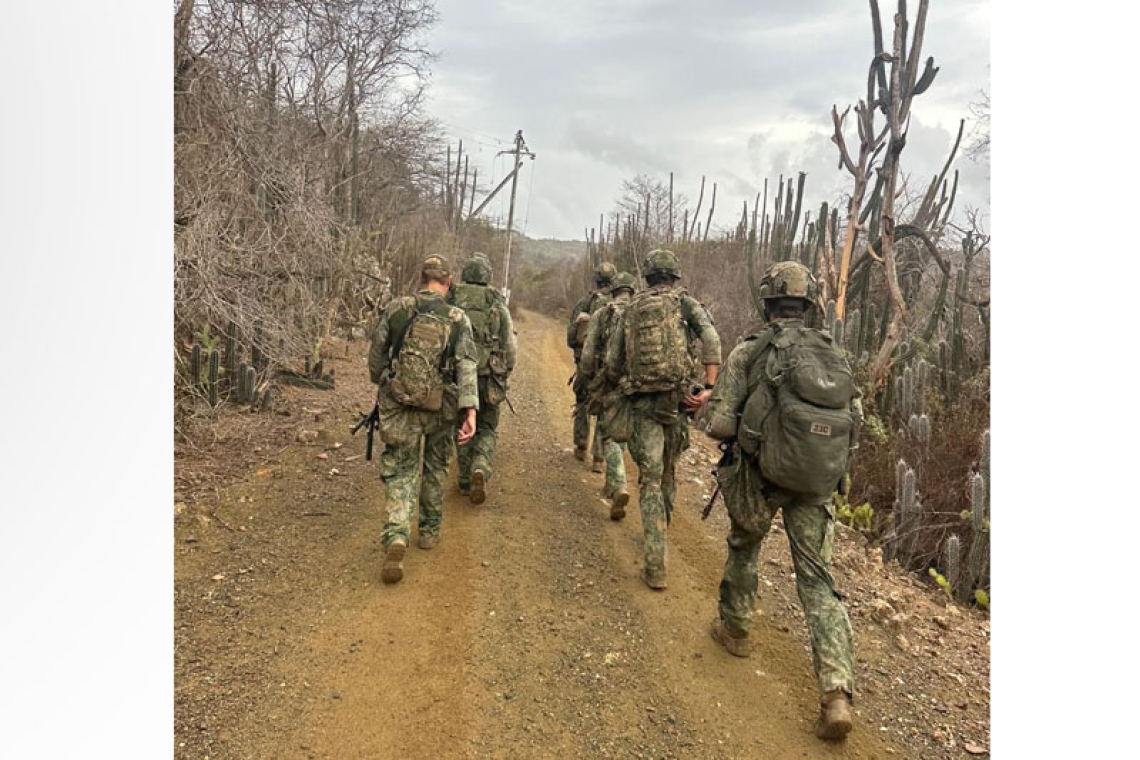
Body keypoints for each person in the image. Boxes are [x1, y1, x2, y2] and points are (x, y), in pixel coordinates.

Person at [702, 260, 862, 740]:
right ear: (809, 304)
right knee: (818, 582)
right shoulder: (834, 355)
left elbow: (721, 424)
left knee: (745, 543)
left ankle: (736, 630)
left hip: (761, 477)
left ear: (768, 302)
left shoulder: (750, 351)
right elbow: (852, 422)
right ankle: (836, 691)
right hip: (817, 483)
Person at [604, 249, 721, 589]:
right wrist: (708, 387)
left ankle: (656, 561)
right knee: (669, 471)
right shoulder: (685, 303)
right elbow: (711, 338)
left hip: (642, 401)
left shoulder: (633, 308)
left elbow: (613, 361)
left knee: (650, 477)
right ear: (674, 276)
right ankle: (662, 529)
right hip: (679, 400)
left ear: (649, 277)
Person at [367, 255, 478, 584]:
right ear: (447, 281)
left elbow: (377, 354)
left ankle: (397, 534)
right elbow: (467, 364)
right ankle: (428, 531)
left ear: (422, 277)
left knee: (401, 468)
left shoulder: (397, 308)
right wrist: (469, 409)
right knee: (435, 466)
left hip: (399, 402)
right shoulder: (457, 318)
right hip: (440, 407)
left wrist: (383, 382)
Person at [449, 253, 517, 505]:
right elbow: (510, 345)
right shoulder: (496, 301)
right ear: (487, 275)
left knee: (461, 425)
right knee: (487, 427)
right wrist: (505, 371)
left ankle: (465, 478)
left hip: (457, 375)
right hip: (488, 376)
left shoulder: (452, 298)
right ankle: (481, 465)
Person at [577, 271, 635, 519]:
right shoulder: (639, 312)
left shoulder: (602, 313)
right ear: (632, 291)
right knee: (621, 432)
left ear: (614, 292)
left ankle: (617, 481)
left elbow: (588, 355)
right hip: (636, 383)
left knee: (609, 429)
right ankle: (609, 477)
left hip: (608, 377)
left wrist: (586, 378)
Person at [567, 261, 617, 469]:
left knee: (582, 402)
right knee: (605, 408)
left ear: (596, 279)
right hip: (609, 366)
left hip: (585, 363)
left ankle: (580, 447)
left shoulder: (585, 301)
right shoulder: (620, 304)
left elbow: (571, 337)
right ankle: (598, 458)